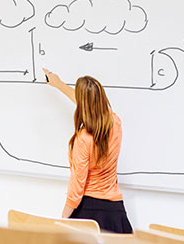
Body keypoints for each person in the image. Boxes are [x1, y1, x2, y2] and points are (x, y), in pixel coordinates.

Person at [44, 71, 132, 233]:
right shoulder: (115, 122)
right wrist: (59, 84)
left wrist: (63, 218)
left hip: (88, 211)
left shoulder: (83, 139)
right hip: (115, 211)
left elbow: (77, 187)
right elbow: (90, 104)